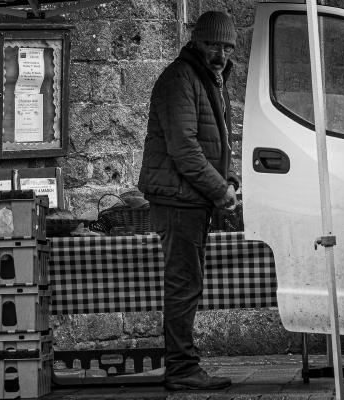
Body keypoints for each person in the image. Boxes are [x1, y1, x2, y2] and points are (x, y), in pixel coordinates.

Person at [137, 10, 240, 390]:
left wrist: (230, 179)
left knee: (187, 282)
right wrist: (220, 190)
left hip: (191, 198)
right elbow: (185, 148)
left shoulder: (209, 79)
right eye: (213, 44)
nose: (221, 54)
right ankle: (181, 370)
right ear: (196, 41)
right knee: (183, 283)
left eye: (227, 47)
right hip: (179, 200)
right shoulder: (180, 78)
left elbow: (220, 141)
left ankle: (183, 366)